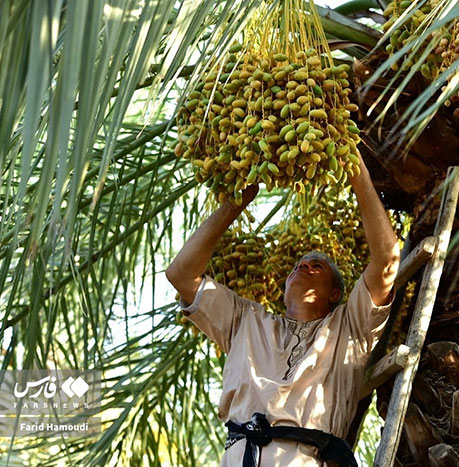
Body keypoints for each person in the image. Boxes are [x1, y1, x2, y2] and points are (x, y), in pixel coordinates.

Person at [166, 155, 400, 466]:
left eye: (316, 266)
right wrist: (236, 202)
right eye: (298, 265)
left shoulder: (350, 328)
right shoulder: (245, 321)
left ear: (334, 294)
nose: (303, 265)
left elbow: (385, 261)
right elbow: (181, 274)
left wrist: (355, 167)